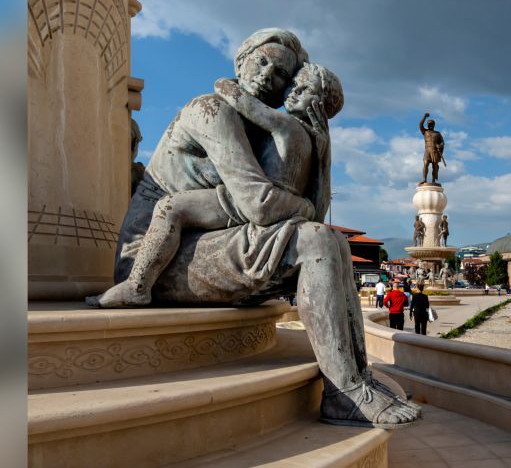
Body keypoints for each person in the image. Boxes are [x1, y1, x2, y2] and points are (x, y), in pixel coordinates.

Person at [97, 28, 419, 429]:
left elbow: (309, 212)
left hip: (201, 238)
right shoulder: (211, 111)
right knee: (315, 241)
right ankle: (344, 391)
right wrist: (302, 205)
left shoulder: (267, 128)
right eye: (261, 62)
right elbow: (260, 206)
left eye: (281, 73)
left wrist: (322, 147)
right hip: (155, 257)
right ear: (240, 61)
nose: (269, 75)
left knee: (332, 241)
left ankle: (357, 378)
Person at [89, 63, 343, 307]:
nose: (293, 89)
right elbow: (317, 213)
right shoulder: (314, 142)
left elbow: (246, 104)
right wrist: (324, 158)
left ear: (321, 107)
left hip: (257, 203)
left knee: (170, 207)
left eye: (302, 87)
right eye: (295, 83)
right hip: (255, 202)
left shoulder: (284, 124)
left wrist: (225, 84)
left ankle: (137, 286)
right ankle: (137, 285)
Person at [419, 113, 446, 184]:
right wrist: (424, 117)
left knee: (435, 166)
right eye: (429, 124)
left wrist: (439, 145)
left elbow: (442, 142)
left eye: (431, 124)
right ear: (427, 125)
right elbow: (420, 125)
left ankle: (433, 180)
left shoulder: (437, 133)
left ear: (434, 125)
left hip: (435, 151)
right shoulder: (425, 132)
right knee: (425, 164)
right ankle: (424, 179)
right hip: (427, 150)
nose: (430, 125)